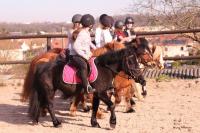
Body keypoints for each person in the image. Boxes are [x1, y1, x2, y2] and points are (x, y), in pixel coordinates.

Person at [70, 14, 97, 93]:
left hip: (82, 54)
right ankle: (86, 87)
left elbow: (88, 43)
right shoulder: (82, 33)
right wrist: (85, 56)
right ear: (91, 25)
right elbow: (75, 46)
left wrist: (96, 49)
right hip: (75, 56)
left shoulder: (86, 32)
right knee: (83, 66)